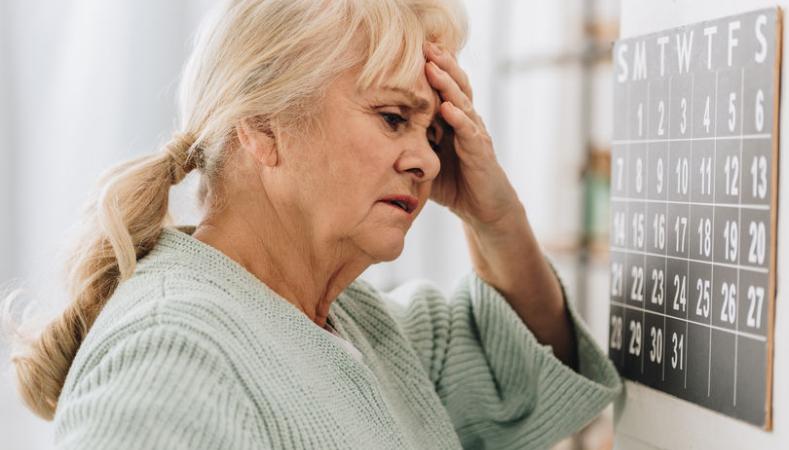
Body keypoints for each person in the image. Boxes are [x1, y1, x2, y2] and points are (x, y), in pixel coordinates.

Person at [5, 0, 621, 448]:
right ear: (263, 127)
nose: (429, 159)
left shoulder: (364, 330)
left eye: (431, 132)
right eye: (391, 116)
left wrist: (496, 217)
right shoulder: (171, 352)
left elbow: (522, 366)